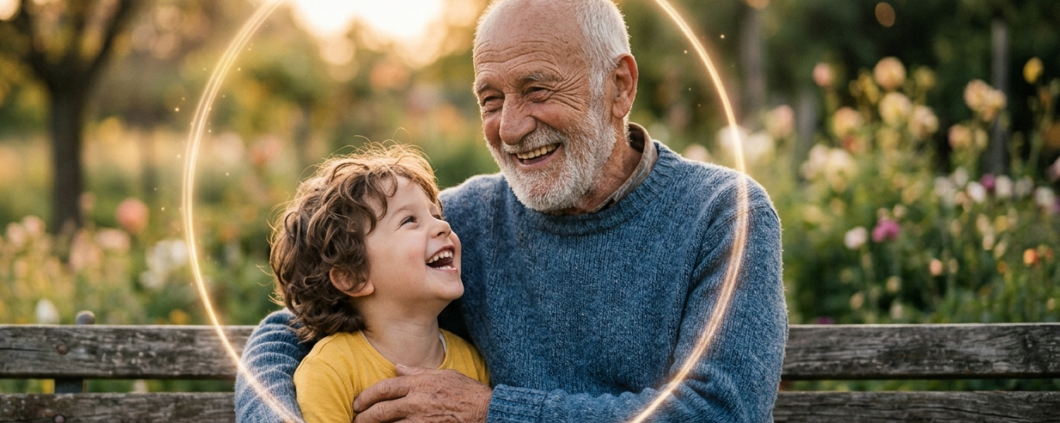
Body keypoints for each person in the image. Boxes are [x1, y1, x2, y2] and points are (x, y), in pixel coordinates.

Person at [236, 0, 788, 421]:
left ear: (618, 87)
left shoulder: (724, 215)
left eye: (537, 89)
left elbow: (721, 409)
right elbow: (291, 330)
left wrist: (492, 411)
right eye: (491, 100)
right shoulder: (461, 223)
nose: (511, 126)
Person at [269, 145, 490, 422]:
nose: (443, 226)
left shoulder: (472, 363)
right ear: (353, 277)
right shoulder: (329, 371)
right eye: (410, 220)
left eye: (436, 216)